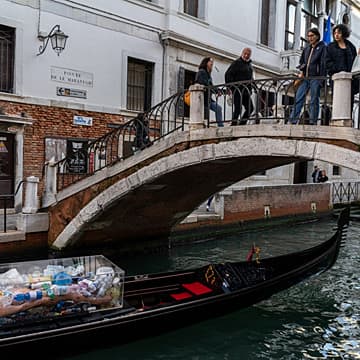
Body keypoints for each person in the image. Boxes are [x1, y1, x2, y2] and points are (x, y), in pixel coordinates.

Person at [289, 28, 327, 125]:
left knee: (314, 99)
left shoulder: (323, 47)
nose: (310, 38)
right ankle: (293, 120)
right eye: (308, 36)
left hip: (316, 77)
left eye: (312, 36)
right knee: (299, 97)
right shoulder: (306, 49)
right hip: (305, 77)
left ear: (317, 36)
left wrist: (322, 79)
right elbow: (302, 62)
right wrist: (302, 70)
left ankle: (313, 121)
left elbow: (323, 63)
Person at [325, 24, 358, 115]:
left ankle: (348, 120)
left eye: (339, 33)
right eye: (335, 33)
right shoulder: (330, 47)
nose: (336, 35)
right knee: (337, 100)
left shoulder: (351, 47)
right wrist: (338, 70)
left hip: (350, 79)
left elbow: (355, 62)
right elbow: (327, 62)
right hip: (337, 78)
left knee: (349, 101)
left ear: (344, 33)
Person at [225, 48, 254, 125]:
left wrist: (253, 87)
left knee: (250, 108)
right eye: (245, 53)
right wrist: (231, 87)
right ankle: (233, 124)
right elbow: (228, 74)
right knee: (238, 108)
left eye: (248, 54)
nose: (246, 55)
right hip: (237, 90)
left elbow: (251, 78)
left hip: (246, 91)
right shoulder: (236, 63)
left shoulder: (250, 66)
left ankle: (242, 123)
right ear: (242, 53)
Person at [195, 57, 224, 127]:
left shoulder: (208, 75)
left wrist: (220, 91)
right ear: (206, 62)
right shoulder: (201, 72)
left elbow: (211, 86)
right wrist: (213, 89)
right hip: (202, 99)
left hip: (208, 99)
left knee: (218, 108)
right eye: (210, 61)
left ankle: (221, 126)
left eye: (212, 62)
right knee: (205, 117)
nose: (212, 63)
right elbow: (201, 83)